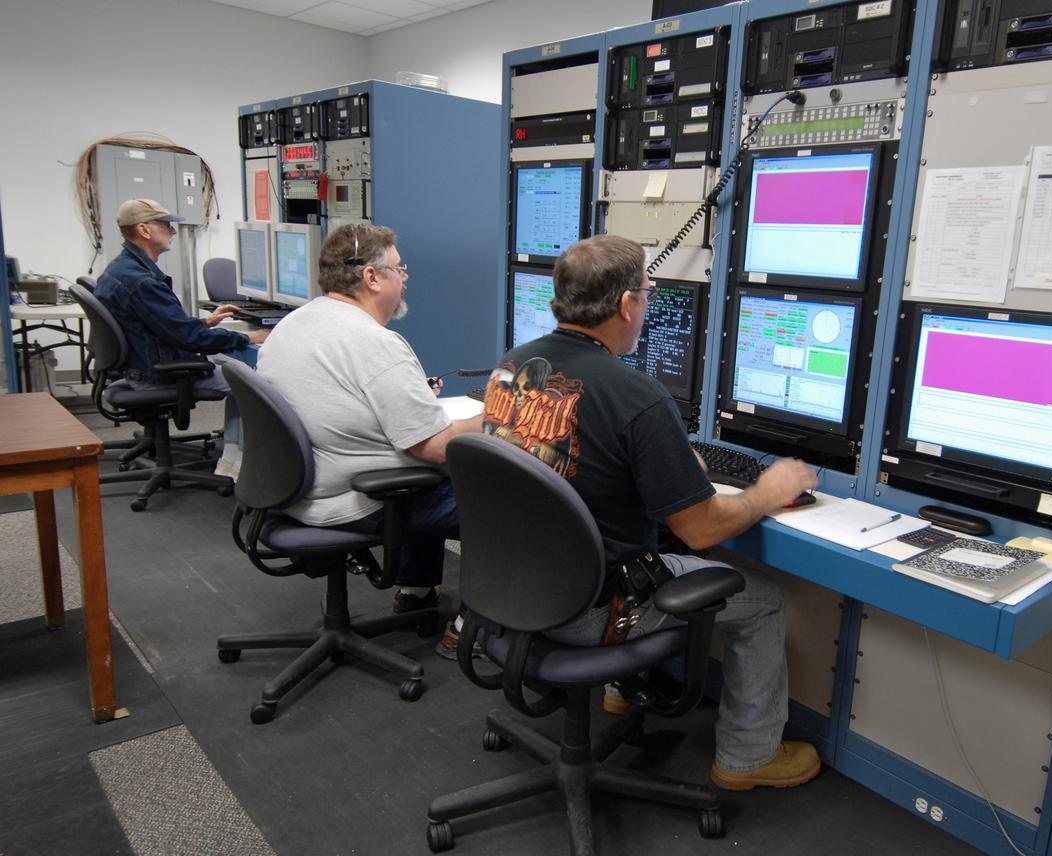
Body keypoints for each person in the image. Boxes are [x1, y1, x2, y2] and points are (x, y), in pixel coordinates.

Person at [480, 234, 821, 791]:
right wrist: (766, 490)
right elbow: (702, 527)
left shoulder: (512, 367)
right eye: (646, 291)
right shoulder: (637, 397)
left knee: (647, 542)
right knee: (761, 601)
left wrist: (665, 461)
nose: (647, 303)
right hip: (591, 609)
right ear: (625, 304)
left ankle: (622, 691)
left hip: (511, 587)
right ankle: (748, 756)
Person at [256, 223, 482, 631]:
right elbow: (434, 447)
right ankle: (477, 627)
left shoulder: (293, 324)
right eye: (399, 269)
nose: (406, 278)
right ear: (371, 277)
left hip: (294, 489)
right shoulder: (374, 343)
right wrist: (502, 412)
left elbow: (335, 399)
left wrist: (412, 401)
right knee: (496, 496)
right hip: (353, 500)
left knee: (419, 473)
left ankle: (415, 592)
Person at [95, 199, 268, 478]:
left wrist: (204, 322)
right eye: (166, 225)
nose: (173, 231)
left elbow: (160, 325)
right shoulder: (142, 282)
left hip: (140, 366)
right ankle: (238, 465)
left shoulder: (121, 269)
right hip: (157, 374)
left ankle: (234, 458)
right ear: (144, 230)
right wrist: (248, 337)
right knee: (250, 382)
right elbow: (189, 338)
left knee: (237, 371)